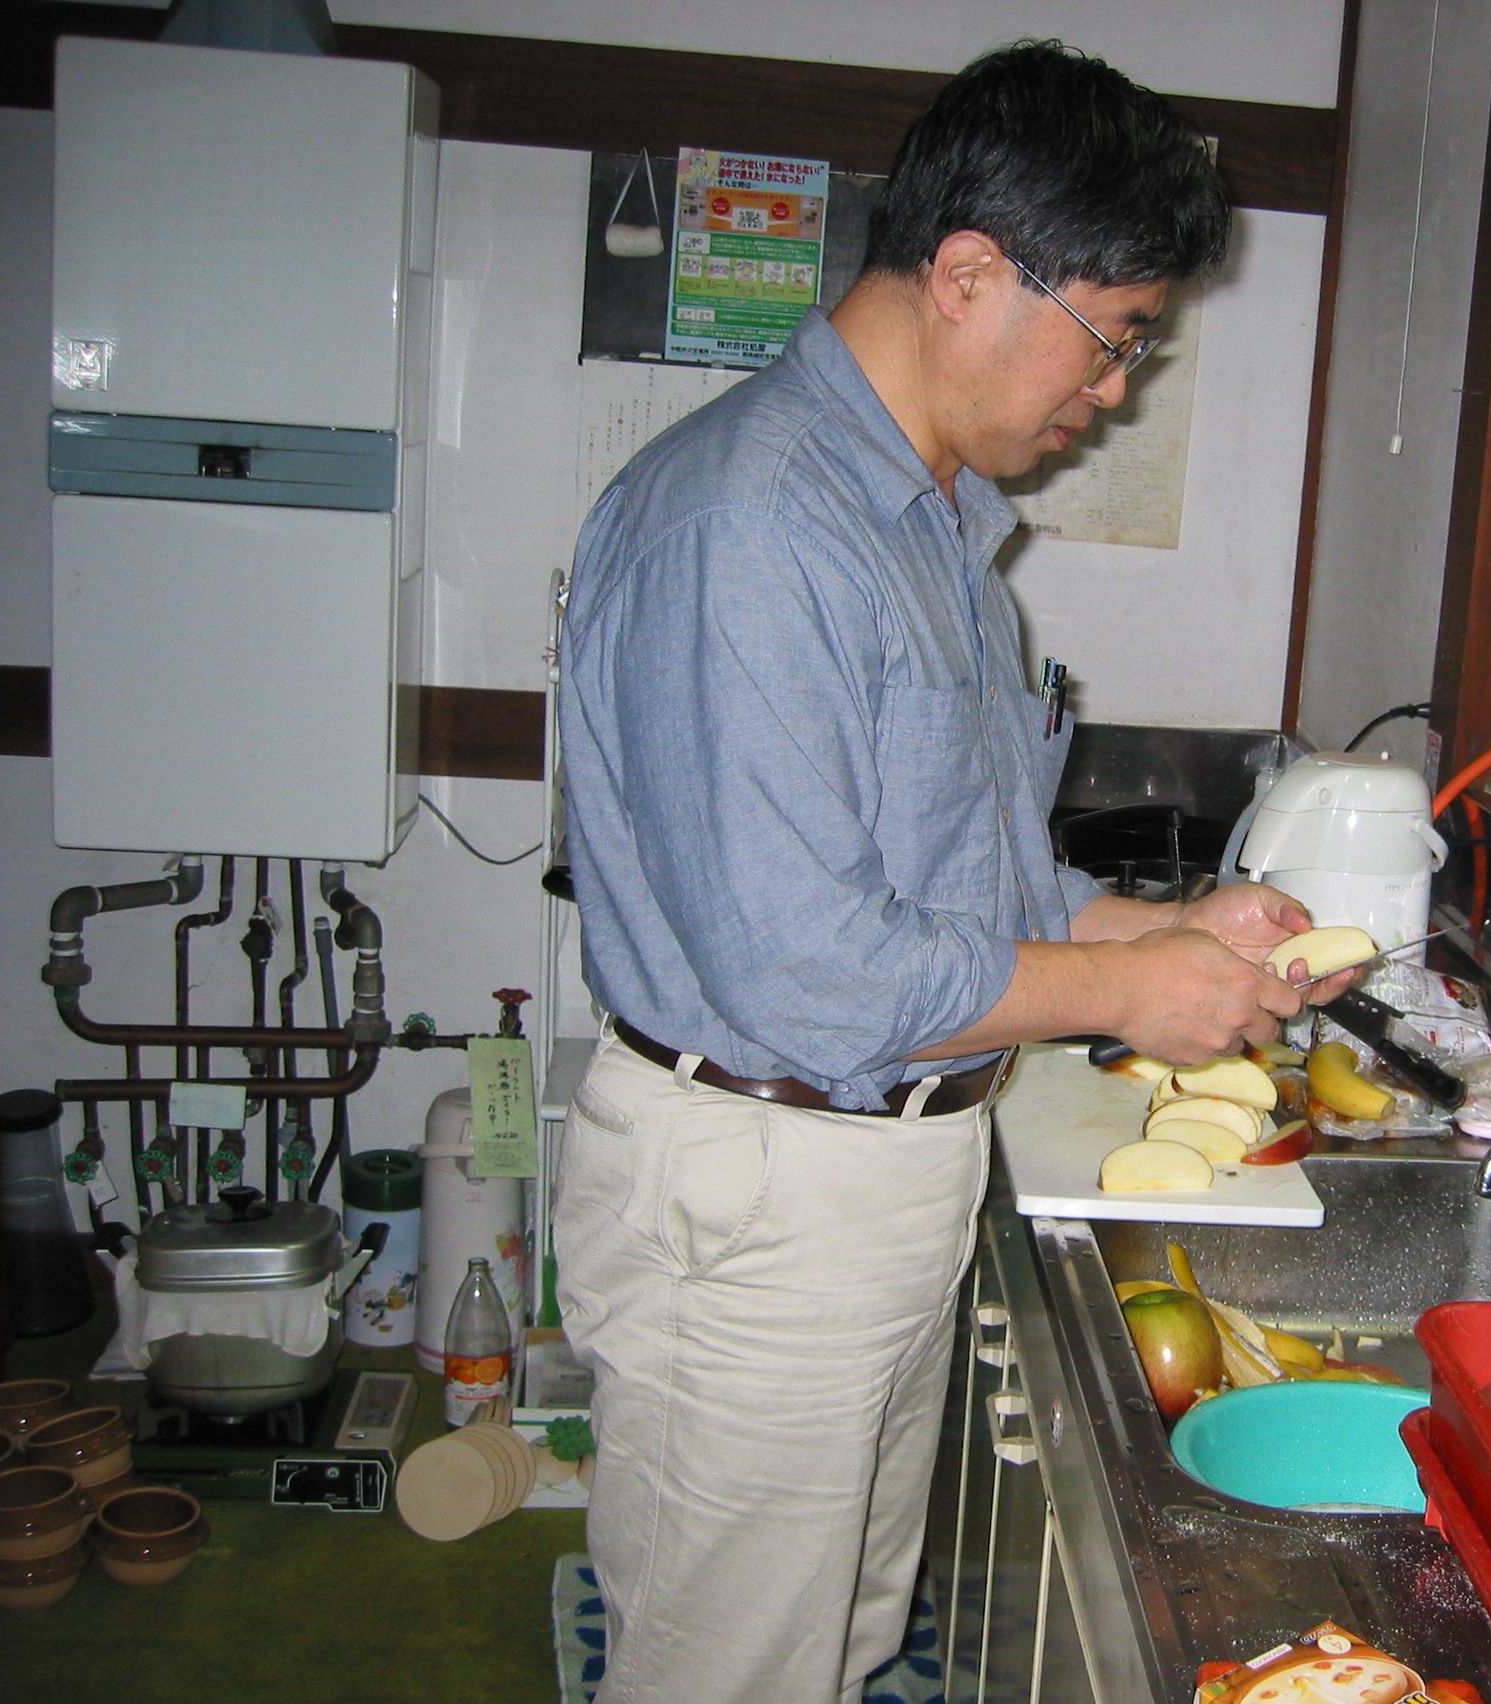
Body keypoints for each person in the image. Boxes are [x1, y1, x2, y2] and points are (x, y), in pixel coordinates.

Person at [555, 41, 1349, 1704]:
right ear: (972, 275)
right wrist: (1125, 988)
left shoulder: (936, 532)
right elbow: (808, 970)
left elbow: (971, 885)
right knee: (729, 1674)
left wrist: (1173, 931)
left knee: (832, 1646)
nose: (1113, 391)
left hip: (880, 1168)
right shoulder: (751, 527)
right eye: (1115, 336)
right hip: (765, 1181)